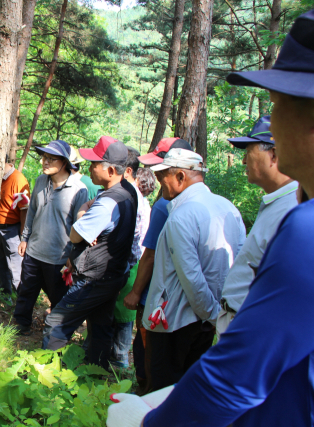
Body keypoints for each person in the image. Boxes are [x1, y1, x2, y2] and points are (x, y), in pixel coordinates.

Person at [108, 10, 314, 426]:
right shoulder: (238, 207)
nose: (272, 124)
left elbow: (237, 378)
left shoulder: (305, 230)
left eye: (276, 106)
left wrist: (148, 421)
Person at [142, 148, 246, 391]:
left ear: (180, 176)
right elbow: (239, 262)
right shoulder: (228, 207)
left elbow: (191, 277)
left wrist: (212, 314)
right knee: (190, 388)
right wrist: (217, 315)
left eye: (162, 177)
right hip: (208, 320)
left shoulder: (183, 215)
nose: (160, 184)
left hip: (176, 321)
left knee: (162, 388)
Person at [42, 136, 137, 368]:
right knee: (101, 325)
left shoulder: (107, 203)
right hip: (114, 274)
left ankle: (46, 374)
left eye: (95, 164)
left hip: (94, 278)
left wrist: (82, 215)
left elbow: (75, 235)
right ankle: (96, 372)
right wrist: (87, 210)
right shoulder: (127, 191)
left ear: (112, 170)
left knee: (56, 323)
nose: (90, 169)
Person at [122, 137, 192, 393]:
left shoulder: (165, 205)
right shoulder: (200, 205)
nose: (157, 176)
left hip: (156, 300)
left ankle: (145, 396)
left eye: (160, 168)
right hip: (184, 306)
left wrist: (136, 292)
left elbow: (149, 255)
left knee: (147, 355)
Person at [217, 116, 297, 337]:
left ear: (273, 154)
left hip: (253, 331)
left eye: (248, 152)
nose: (243, 162)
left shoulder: (293, 209)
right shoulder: (277, 202)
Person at [12, 140, 88, 335]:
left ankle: (55, 334)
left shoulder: (79, 190)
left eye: (50, 159)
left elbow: (80, 228)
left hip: (59, 257)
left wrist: (73, 256)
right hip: (34, 251)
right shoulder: (40, 181)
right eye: (44, 157)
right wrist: (25, 238)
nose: (44, 162)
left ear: (64, 163)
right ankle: (20, 325)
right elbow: (32, 212)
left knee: (59, 298)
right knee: (26, 292)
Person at [105, 146, 149, 369]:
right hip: (121, 263)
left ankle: (120, 360)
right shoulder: (126, 194)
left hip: (129, 264)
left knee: (123, 314)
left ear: (128, 171)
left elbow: (133, 236)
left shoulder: (133, 197)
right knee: (115, 311)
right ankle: (113, 356)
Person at [0, 155, 31, 295]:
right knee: (1, 263)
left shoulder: (17, 179)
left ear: (5, 161)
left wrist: (23, 237)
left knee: (16, 269)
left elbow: (25, 209)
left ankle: (22, 302)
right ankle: (5, 295)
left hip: (13, 230)